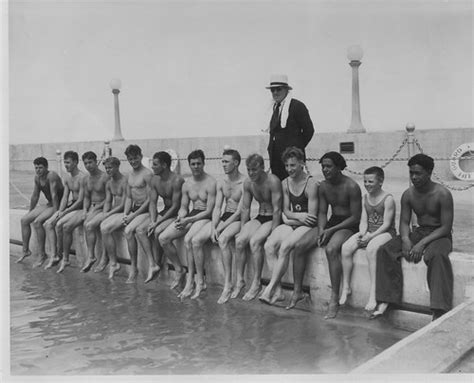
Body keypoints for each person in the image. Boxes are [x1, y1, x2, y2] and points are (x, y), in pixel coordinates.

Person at [373, 154, 454, 321]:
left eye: (418, 173)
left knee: (436, 256)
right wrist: (406, 240)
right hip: (419, 231)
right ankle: (387, 299)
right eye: (411, 173)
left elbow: (446, 227)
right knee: (385, 251)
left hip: (440, 234)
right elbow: (404, 222)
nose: (414, 177)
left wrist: (422, 244)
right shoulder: (408, 194)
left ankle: (439, 309)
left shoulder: (443, 194)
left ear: (429, 172)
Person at [292, 152, 361, 318]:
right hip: (331, 222)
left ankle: (334, 298)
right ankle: (297, 291)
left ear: (338, 167)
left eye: (329, 166)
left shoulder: (351, 186)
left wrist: (330, 231)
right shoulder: (323, 186)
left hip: (348, 225)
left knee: (331, 249)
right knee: (299, 246)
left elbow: (355, 217)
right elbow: (322, 212)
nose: (325, 170)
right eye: (323, 166)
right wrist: (322, 229)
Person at [259, 147, 318, 305]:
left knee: (285, 247)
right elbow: (285, 211)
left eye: (293, 165)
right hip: (295, 222)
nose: (289, 169)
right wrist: (296, 217)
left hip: (306, 227)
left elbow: (311, 218)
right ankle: (278, 291)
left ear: (302, 164)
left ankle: (269, 289)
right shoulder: (285, 183)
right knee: (269, 246)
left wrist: (290, 219)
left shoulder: (311, 184)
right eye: (287, 166)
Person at [189, 148, 245, 303]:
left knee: (223, 239)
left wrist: (219, 229)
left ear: (236, 163)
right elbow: (217, 208)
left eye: (226, 162)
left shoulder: (244, 182)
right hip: (224, 217)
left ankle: (228, 284)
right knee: (195, 241)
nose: (223, 165)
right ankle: (200, 281)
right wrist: (214, 226)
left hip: (238, 219)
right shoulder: (221, 182)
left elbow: (239, 212)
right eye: (222, 161)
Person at [159, 149, 216, 299]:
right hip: (191, 216)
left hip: (204, 217)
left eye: (198, 163)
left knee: (189, 240)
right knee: (163, 238)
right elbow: (184, 207)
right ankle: (179, 269)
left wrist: (188, 220)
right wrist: (180, 217)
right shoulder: (187, 184)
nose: (196, 166)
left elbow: (210, 211)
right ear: (189, 165)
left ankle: (196, 280)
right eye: (193, 164)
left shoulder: (211, 183)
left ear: (204, 164)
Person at [339, 166, 396, 311]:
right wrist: (362, 233)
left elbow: (386, 224)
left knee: (371, 249)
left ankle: (373, 293)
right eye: (365, 181)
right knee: (346, 248)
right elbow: (364, 220)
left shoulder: (388, 199)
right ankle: (346, 287)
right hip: (369, 231)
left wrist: (370, 237)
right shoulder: (365, 198)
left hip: (385, 233)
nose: (367, 185)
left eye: (371, 181)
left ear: (380, 181)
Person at [233, 153, 282, 301]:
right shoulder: (248, 183)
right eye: (248, 170)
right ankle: (240, 280)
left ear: (263, 168)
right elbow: (245, 209)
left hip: (272, 218)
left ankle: (256, 283)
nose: (251, 173)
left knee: (254, 242)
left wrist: (274, 232)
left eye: (254, 169)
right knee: (240, 241)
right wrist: (243, 228)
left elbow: (277, 210)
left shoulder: (273, 181)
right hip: (260, 216)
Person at [134, 151, 184, 283]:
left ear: (164, 165)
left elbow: (175, 206)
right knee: (140, 230)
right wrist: (152, 220)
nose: (152, 167)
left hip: (176, 213)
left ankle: (163, 263)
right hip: (164, 212)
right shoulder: (155, 180)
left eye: (155, 165)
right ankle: (153, 264)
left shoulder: (177, 180)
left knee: (157, 231)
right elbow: (152, 202)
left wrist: (158, 222)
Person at [43, 150, 86, 273]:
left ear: (76, 162)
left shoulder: (82, 178)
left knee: (60, 225)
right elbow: (65, 197)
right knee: (49, 223)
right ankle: (55, 255)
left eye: (68, 162)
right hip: (72, 205)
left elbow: (81, 201)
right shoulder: (67, 177)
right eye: (64, 162)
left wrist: (65, 212)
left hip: (81, 207)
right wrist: (60, 211)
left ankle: (64, 256)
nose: (65, 165)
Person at [266, 74, 314, 180]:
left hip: (292, 161)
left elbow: (309, 131)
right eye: (272, 90)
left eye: (278, 89)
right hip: (276, 160)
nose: (275, 92)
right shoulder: (273, 109)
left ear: (286, 90)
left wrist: (296, 149)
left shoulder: (297, 106)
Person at [18, 157, 64, 266]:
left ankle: (42, 254)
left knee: (38, 222)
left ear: (46, 167)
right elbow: (35, 196)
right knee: (24, 220)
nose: (38, 170)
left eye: (40, 168)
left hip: (59, 204)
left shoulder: (51, 176)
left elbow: (54, 195)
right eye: (36, 168)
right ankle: (25, 250)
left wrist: (56, 213)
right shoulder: (37, 178)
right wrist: (30, 211)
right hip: (49, 204)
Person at [122, 144, 154, 283]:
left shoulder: (147, 174)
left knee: (129, 231)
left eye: (135, 158)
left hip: (147, 210)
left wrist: (133, 216)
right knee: (128, 230)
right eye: (130, 159)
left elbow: (150, 200)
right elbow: (129, 197)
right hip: (135, 209)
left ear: (140, 157)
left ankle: (146, 265)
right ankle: (134, 267)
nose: (133, 161)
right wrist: (125, 213)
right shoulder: (129, 175)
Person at [99, 156, 128, 279]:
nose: (108, 170)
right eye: (106, 168)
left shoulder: (125, 181)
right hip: (114, 211)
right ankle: (105, 258)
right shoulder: (109, 183)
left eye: (110, 168)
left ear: (117, 167)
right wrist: (105, 213)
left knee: (105, 229)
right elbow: (108, 201)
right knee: (101, 224)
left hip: (125, 212)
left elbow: (123, 204)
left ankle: (113, 262)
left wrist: (108, 214)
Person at [80, 151, 109, 273]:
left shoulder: (105, 177)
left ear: (96, 161)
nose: (88, 165)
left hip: (105, 207)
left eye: (90, 162)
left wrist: (96, 208)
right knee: (86, 223)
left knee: (92, 225)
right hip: (93, 207)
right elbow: (86, 197)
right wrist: (85, 210)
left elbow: (109, 198)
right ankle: (91, 256)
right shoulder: (86, 178)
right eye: (85, 163)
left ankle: (104, 258)